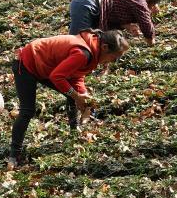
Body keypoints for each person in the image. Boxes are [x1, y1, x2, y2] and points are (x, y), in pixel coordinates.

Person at [8, 29, 130, 167]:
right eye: (115, 58)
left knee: (72, 93)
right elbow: (57, 77)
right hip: (26, 63)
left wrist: (83, 96)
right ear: (105, 47)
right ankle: (14, 156)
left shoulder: (92, 50)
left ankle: (74, 133)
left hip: (46, 66)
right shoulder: (83, 53)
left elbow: (77, 75)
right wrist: (77, 96)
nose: (114, 61)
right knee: (27, 111)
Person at [69, 0, 165, 46]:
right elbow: (146, 24)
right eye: (153, 4)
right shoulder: (140, 0)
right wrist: (151, 43)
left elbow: (112, 14)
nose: (152, 7)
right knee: (78, 40)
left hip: (86, 2)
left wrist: (126, 26)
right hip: (87, 3)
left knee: (89, 39)